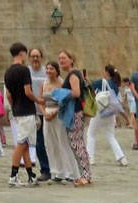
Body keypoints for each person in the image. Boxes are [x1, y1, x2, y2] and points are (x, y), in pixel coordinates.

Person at [4, 42, 42, 187]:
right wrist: (37, 100)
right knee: (21, 144)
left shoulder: (7, 72)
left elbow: (8, 95)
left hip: (17, 110)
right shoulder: (24, 70)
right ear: (22, 53)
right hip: (26, 109)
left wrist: (13, 107)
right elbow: (27, 91)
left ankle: (30, 175)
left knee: (24, 143)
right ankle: (13, 175)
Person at [57, 49, 92, 186]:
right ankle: (85, 174)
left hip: (75, 112)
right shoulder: (74, 73)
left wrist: (60, 94)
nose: (61, 61)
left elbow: (76, 93)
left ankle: (85, 175)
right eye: (59, 58)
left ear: (71, 59)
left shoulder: (73, 74)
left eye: (64, 58)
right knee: (78, 143)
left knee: (76, 143)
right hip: (76, 112)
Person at [41, 59, 79, 183]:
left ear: (57, 71)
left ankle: (70, 172)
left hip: (58, 114)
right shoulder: (44, 84)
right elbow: (41, 101)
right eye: (47, 68)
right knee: (50, 144)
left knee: (63, 142)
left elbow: (64, 101)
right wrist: (44, 113)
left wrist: (55, 112)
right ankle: (57, 171)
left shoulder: (62, 83)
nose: (49, 71)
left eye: (51, 69)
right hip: (47, 114)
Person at [86, 64, 128, 167]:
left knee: (91, 133)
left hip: (100, 112)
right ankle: (122, 158)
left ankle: (90, 158)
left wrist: (86, 80)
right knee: (110, 136)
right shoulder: (115, 84)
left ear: (106, 72)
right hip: (111, 113)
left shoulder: (102, 82)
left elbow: (89, 87)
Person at [27, 48, 50, 179]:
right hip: (34, 113)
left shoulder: (47, 72)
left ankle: (58, 169)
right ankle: (45, 170)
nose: (35, 59)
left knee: (52, 143)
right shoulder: (27, 72)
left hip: (48, 111)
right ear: (29, 58)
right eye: (33, 56)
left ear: (41, 57)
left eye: (38, 56)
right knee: (39, 144)